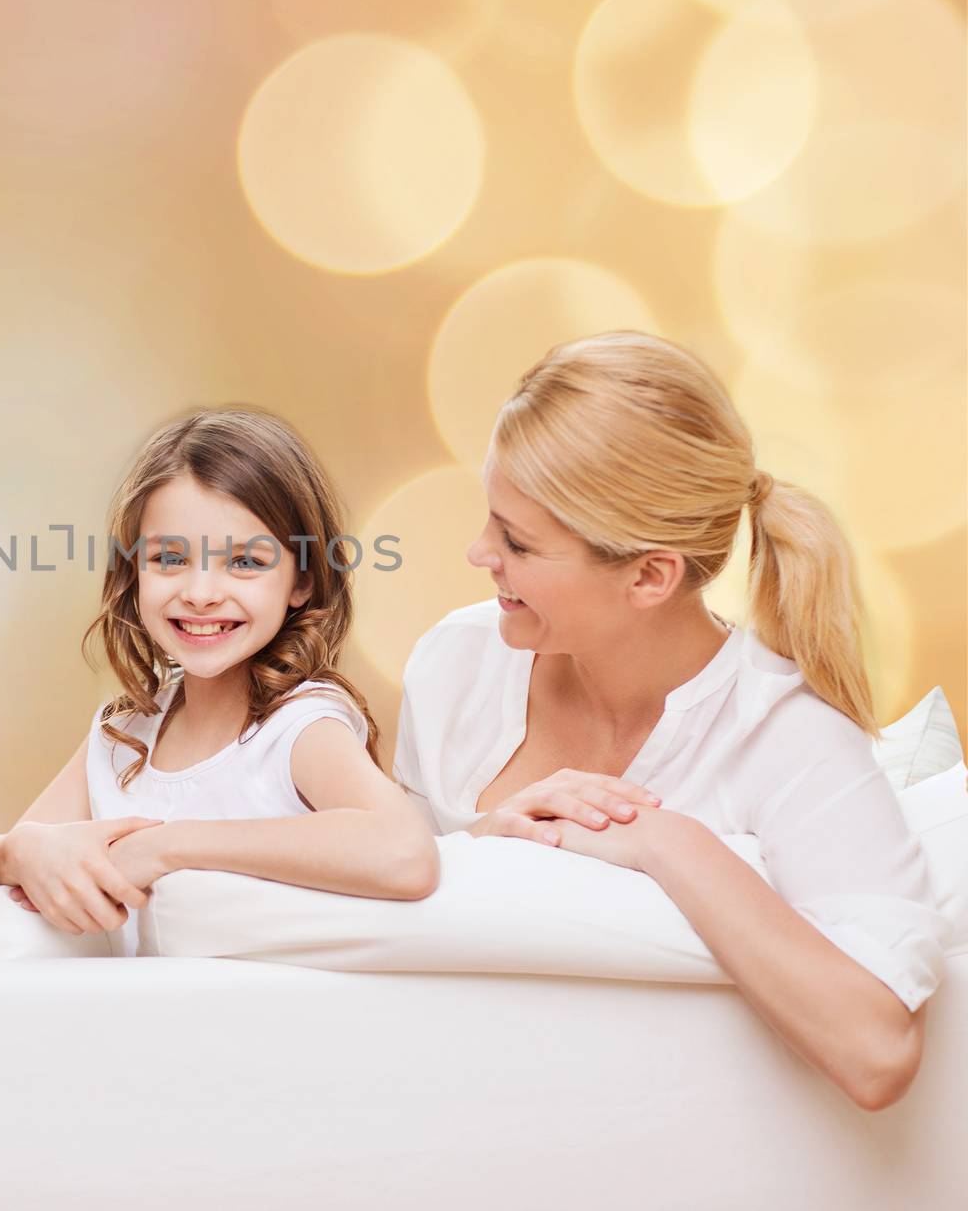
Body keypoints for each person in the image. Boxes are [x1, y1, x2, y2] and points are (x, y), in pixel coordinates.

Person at [395, 332, 947, 1111]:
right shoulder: (457, 664)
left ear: (650, 576)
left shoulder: (788, 737)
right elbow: (394, 911)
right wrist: (484, 844)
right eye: (492, 520)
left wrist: (667, 842)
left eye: (517, 542)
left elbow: (878, 1052)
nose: (479, 552)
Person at [0, 408, 437, 953]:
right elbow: (5, 855)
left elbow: (406, 853)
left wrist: (172, 846)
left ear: (301, 580)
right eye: (170, 558)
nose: (201, 592)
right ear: (134, 575)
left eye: (245, 561)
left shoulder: (299, 727)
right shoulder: (125, 734)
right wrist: (23, 851)